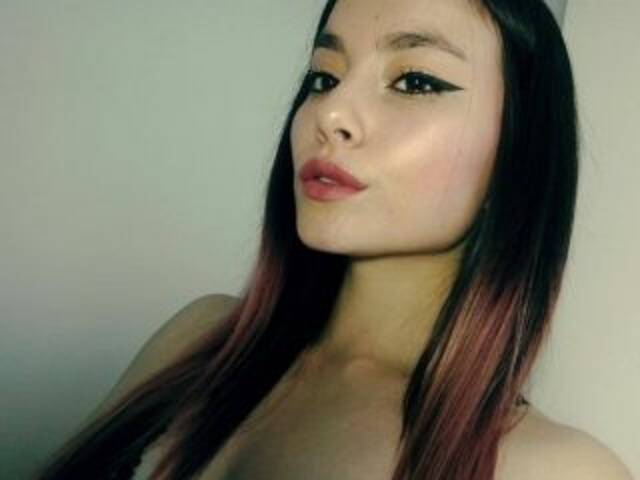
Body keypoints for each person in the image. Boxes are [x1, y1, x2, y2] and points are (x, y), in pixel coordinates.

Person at [35, 0, 634, 479]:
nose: (330, 112)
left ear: (521, 154)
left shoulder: (553, 469)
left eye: (415, 81)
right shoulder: (195, 338)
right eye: (324, 76)